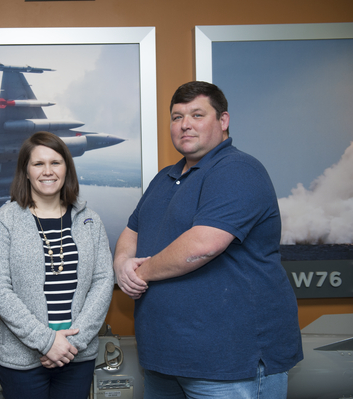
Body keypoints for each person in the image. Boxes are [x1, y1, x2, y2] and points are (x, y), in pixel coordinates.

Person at [114, 82, 303, 398]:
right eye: (177, 117)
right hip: (165, 361)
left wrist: (138, 274)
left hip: (228, 365)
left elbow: (203, 245)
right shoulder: (165, 178)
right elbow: (132, 231)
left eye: (196, 114)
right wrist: (121, 263)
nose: (184, 124)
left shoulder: (238, 170)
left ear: (223, 120)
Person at [0, 131, 114, 399]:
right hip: (23, 361)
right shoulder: (4, 221)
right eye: (38, 164)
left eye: (55, 163)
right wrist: (46, 342)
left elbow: (102, 281)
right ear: (26, 171)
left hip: (76, 357)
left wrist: (70, 345)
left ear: (67, 168)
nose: (48, 171)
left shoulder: (90, 220)